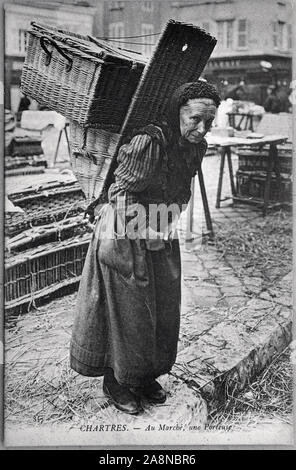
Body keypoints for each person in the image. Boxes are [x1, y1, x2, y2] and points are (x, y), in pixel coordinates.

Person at [70, 81, 221, 415]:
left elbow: (184, 189)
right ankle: (116, 380)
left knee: (162, 307)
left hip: (159, 228)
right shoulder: (149, 143)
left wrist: (168, 222)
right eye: (195, 119)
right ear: (177, 112)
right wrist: (145, 231)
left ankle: (143, 375)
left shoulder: (195, 146)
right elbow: (120, 195)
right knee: (128, 311)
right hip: (124, 230)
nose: (201, 128)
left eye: (209, 122)